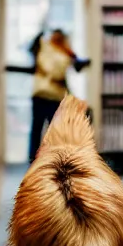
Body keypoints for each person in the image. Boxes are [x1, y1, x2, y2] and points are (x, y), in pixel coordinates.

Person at [27, 28, 91, 160]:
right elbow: (57, 72)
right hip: (45, 94)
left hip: (49, 96)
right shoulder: (58, 51)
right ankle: (41, 158)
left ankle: (45, 159)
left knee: (46, 130)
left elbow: (61, 70)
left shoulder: (63, 52)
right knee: (42, 128)